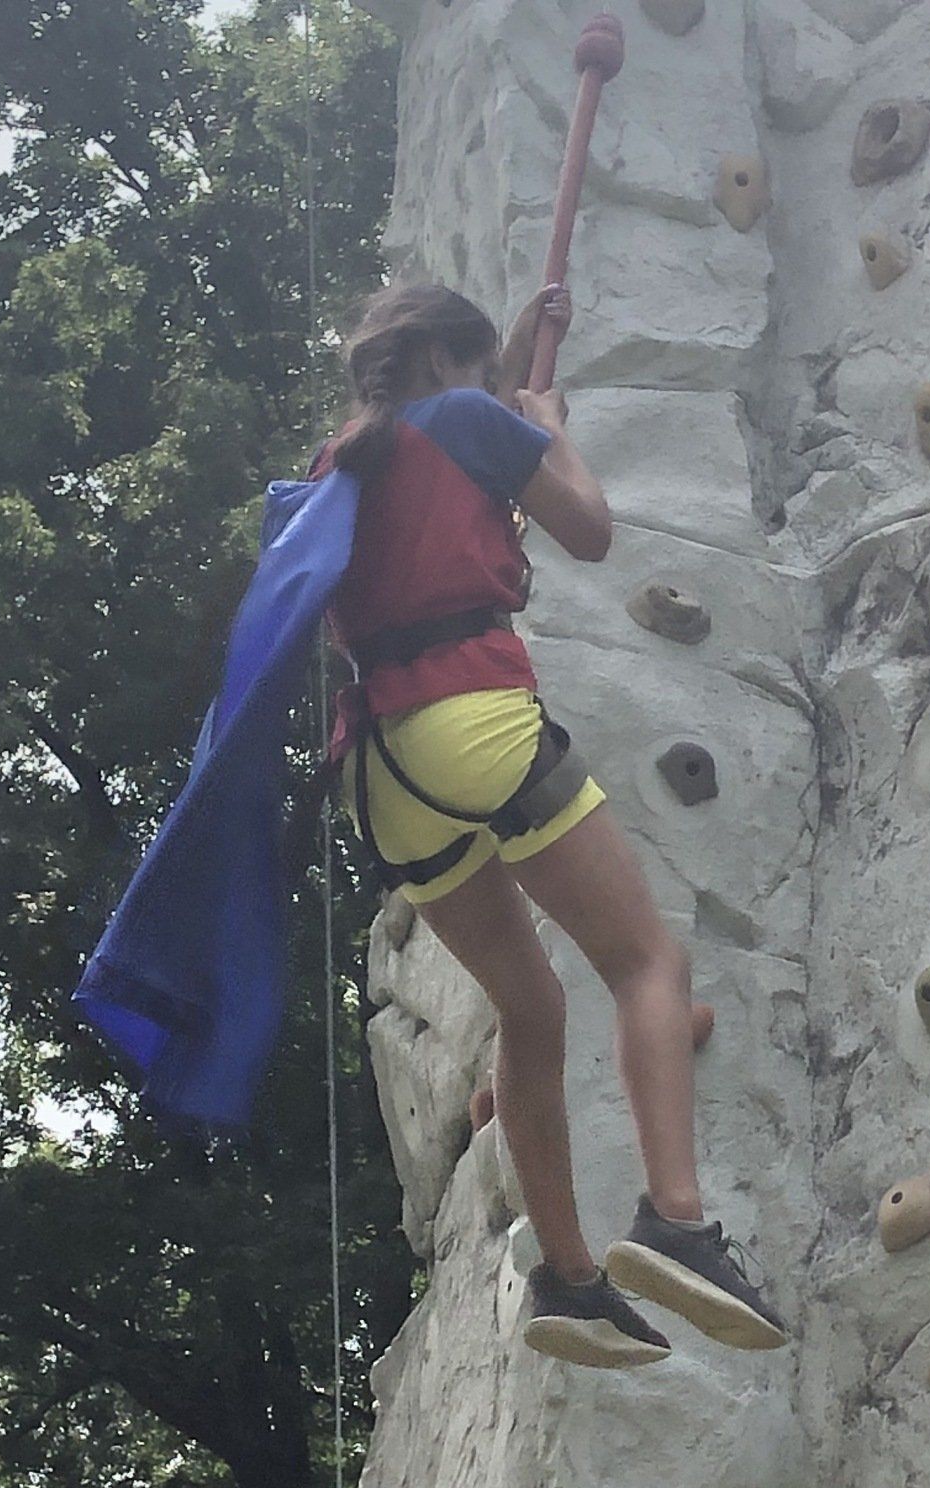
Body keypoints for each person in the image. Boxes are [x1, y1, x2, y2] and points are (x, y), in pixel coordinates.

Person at [314, 279, 786, 1370]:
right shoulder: (475, 419)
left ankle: (567, 1281)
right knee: (646, 963)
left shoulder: (347, 460)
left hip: (377, 767)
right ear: (442, 359)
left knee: (529, 1010)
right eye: (477, 368)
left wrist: (514, 360)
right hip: (473, 717)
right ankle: (676, 1219)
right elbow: (589, 528)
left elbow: (450, 472)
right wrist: (553, 432)